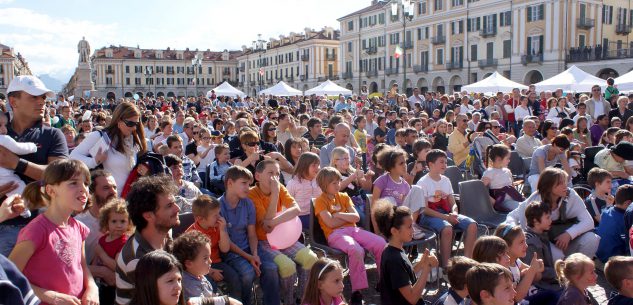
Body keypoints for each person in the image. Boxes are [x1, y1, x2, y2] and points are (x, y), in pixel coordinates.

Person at [8, 159, 99, 305]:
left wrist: (92, 288)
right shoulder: (36, 230)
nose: (83, 189)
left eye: (86, 183)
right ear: (51, 190)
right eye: (73, 183)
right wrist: (51, 296)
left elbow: (82, 266)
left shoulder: (79, 228)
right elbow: (10, 276)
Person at [248, 160, 318, 305]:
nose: (275, 177)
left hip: (284, 238)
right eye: (270, 173)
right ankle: (288, 301)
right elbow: (265, 227)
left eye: (277, 173)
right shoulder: (252, 194)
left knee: (311, 258)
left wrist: (274, 222)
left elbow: (295, 209)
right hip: (264, 242)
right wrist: (275, 195)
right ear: (258, 176)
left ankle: (302, 297)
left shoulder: (279, 187)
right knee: (287, 266)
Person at [314, 166, 386, 304]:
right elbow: (329, 223)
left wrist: (339, 215)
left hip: (353, 230)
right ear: (324, 184)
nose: (338, 185)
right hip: (335, 235)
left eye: (338, 181)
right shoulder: (320, 201)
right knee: (355, 250)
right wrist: (345, 218)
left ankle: (383, 281)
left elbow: (356, 217)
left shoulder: (344, 196)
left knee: (381, 243)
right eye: (334, 183)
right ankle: (357, 292)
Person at [506, 168, 600, 261]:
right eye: (560, 183)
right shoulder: (535, 200)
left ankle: (578, 270)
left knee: (592, 239)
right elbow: (517, 219)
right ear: (548, 186)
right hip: (544, 242)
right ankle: (556, 273)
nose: (565, 186)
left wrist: (569, 234)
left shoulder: (571, 195)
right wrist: (513, 231)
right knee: (557, 256)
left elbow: (588, 222)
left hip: (567, 240)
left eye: (565, 182)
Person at [115, 174, 181, 305]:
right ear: (148, 216)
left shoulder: (165, 233)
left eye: (175, 202)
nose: (177, 209)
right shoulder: (138, 260)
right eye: (169, 206)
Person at [219, 166, 280, 305]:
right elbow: (226, 243)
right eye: (243, 183)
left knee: (271, 268)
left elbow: (252, 234)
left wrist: (255, 253)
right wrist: (250, 257)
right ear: (230, 183)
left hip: (249, 247)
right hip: (230, 252)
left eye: (249, 184)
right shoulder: (218, 206)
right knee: (247, 273)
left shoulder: (248, 203)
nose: (248, 187)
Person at [417, 149, 478, 269]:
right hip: (429, 216)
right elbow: (425, 210)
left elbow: (453, 203)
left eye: (445, 162)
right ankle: (446, 266)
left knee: (472, 225)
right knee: (447, 228)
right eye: (441, 162)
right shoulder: (423, 182)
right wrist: (446, 217)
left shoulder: (446, 180)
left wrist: (454, 212)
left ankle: (467, 263)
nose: (445, 165)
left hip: (446, 213)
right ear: (430, 164)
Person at [71, 101, 147, 195]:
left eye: (137, 124)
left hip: (130, 198)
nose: (134, 128)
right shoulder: (99, 136)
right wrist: (94, 161)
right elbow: (72, 157)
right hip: (107, 200)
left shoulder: (134, 140)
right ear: (119, 120)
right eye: (130, 123)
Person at [373, 199, 438, 305]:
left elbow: (404, 276)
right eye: (409, 227)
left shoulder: (392, 249)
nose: (413, 230)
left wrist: (421, 264)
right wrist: (427, 268)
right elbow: (412, 298)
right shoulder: (394, 259)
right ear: (394, 231)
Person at [185, 195, 240, 301]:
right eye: (215, 215)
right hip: (199, 266)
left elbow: (225, 249)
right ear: (200, 219)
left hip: (216, 262)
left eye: (219, 213)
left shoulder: (216, 227)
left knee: (234, 278)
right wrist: (210, 271)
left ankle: (234, 302)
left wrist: (223, 230)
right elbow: (191, 263)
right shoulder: (191, 234)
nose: (219, 217)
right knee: (210, 286)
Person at [172, 231, 241, 305]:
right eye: (205, 258)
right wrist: (226, 301)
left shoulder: (199, 275)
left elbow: (211, 296)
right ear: (189, 263)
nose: (210, 261)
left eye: (209, 257)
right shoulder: (189, 285)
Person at [93, 199, 132, 305]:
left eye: (123, 221)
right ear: (107, 222)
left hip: (115, 288)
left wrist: (101, 253)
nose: (119, 225)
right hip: (101, 284)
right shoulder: (102, 239)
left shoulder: (124, 242)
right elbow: (95, 261)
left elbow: (117, 267)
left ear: (129, 223)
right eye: (114, 221)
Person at [523, 201, 560, 290]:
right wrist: (559, 273)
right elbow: (536, 271)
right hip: (539, 285)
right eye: (547, 218)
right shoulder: (531, 242)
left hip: (547, 279)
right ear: (536, 221)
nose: (551, 220)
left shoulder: (541, 235)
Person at [0, 112, 37, 196]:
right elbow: (18, 148)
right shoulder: (4, 139)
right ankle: (25, 208)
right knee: (22, 193)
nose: (3, 129)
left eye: (5, 125)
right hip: (5, 176)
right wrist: (33, 146)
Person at [596, 185, 633, 263]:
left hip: (601, 255)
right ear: (628, 203)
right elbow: (629, 244)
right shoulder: (624, 220)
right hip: (615, 262)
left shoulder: (607, 211)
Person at [482, 144, 524, 213]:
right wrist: (492, 200)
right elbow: (480, 189)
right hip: (502, 201)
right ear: (498, 159)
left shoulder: (507, 171)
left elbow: (512, 186)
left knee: (530, 205)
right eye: (507, 158)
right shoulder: (489, 172)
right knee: (523, 209)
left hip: (513, 198)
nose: (509, 160)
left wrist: (519, 196)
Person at [287, 152, 322, 229]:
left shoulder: (319, 181)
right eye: (314, 165)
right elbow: (286, 204)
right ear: (304, 167)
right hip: (301, 217)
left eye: (318, 165)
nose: (318, 168)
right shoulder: (293, 183)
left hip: (318, 213)